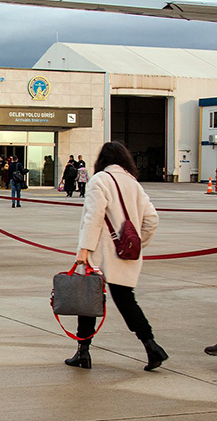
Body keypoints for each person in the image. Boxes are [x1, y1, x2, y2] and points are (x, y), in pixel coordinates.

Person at [65, 141, 165, 371]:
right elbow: (152, 220)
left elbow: (94, 216)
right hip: (125, 253)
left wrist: (83, 250)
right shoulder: (133, 183)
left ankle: (83, 351)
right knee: (126, 301)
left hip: (98, 251)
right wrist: (135, 244)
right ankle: (151, 346)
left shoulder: (99, 180)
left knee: (88, 301)